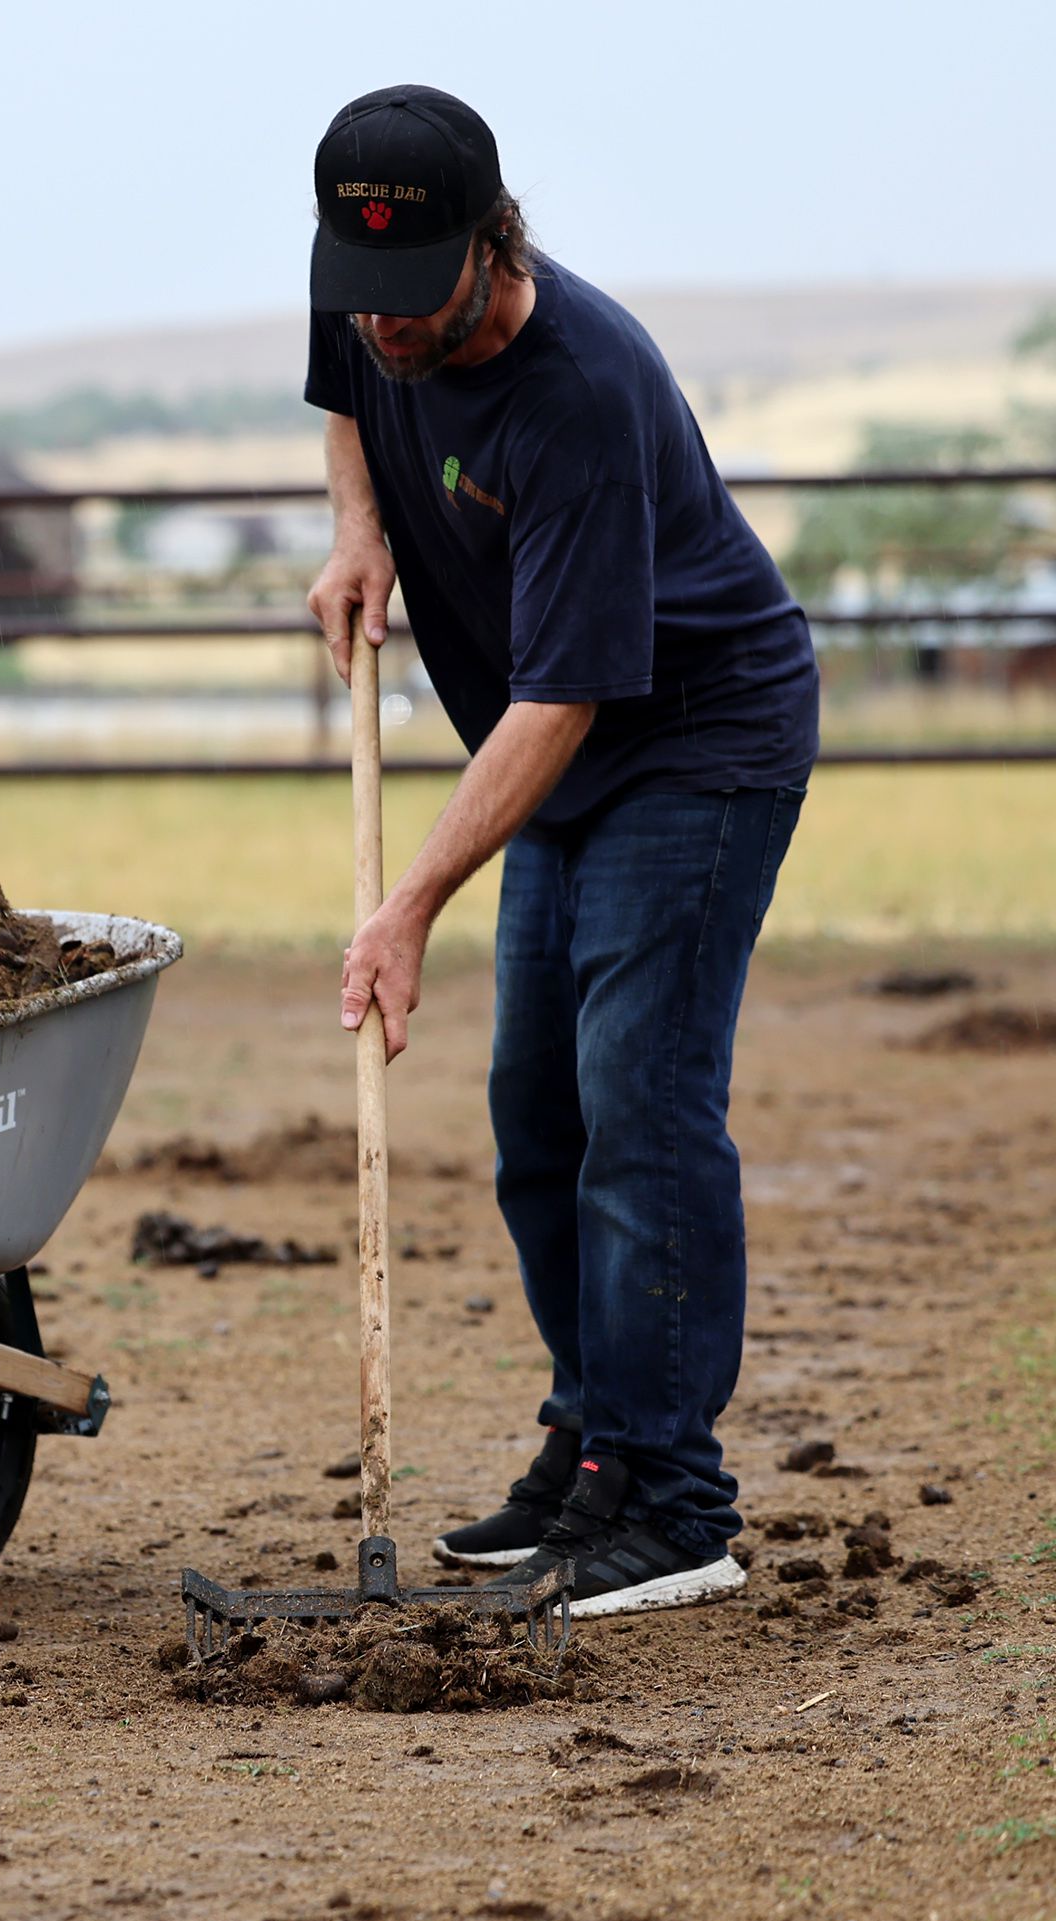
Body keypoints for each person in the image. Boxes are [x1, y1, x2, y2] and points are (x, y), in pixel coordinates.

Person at [304, 84, 818, 1618]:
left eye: (416, 301)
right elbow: (341, 381)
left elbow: (564, 694)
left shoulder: (579, 390)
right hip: (566, 749)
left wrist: (409, 903)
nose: (387, 329)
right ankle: (593, 1442)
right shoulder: (366, 284)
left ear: (493, 240)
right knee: (540, 1110)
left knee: (639, 1104)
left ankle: (674, 1499)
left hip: (693, 737)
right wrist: (358, 528)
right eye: (366, 296)